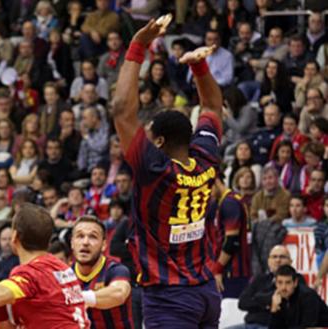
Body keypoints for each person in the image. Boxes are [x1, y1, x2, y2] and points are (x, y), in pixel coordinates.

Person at [112, 19, 223, 328]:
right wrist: (199, 67)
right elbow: (213, 105)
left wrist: (137, 45)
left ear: (158, 142)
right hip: (205, 292)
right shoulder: (205, 157)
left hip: (169, 296)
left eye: (149, 134)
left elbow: (122, 110)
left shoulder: (154, 170)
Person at [71, 216, 133, 329]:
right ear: (72, 243)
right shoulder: (66, 274)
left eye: (93, 237)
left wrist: (78, 298)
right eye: (80, 236)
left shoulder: (116, 269)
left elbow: (119, 293)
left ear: (104, 245)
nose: (85, 242)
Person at [207, 177, 250, 299]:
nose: (208, 193)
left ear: (216, 181)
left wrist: (218, 269)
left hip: (233, 270)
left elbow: (232, 241)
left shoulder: (229, 203)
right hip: (233, 269)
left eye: (208, 188)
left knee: (229, 311)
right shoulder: (228, 201)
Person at [237, 245, 293, 329]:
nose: (278, 260)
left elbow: (283, 303)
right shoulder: (260, 279)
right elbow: (242, 302)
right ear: (269, 261)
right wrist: (266, 304)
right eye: (274, 257)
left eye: (282, 257)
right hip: (249, 325)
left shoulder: (294, 280)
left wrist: (257, 298)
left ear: (290, 261)